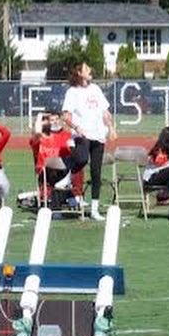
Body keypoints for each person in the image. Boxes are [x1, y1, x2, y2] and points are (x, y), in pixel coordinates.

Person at [62, 61, 116, 222]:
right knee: (82, 158)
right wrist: (76, 127)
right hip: (83, 134)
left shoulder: (96, 89)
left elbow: (105, 112)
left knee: (96, 172)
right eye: (86, 69)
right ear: (79, 73)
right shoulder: (72, 92)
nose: (90, 70)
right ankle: (67, 177)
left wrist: (111, 127)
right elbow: (66, 116)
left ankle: (94, 210)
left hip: (98, 134)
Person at [29, 110, 76, 210]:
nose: (54, 122)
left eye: (56, 119)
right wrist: (40, 116)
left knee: (75, 160)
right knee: (54, 168)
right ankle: (64, 196)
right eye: (52, 120)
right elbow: (37, 132)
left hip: (64, 170)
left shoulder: (66, 135)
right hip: (46, 172)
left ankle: (71, 194)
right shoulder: (41, 137)